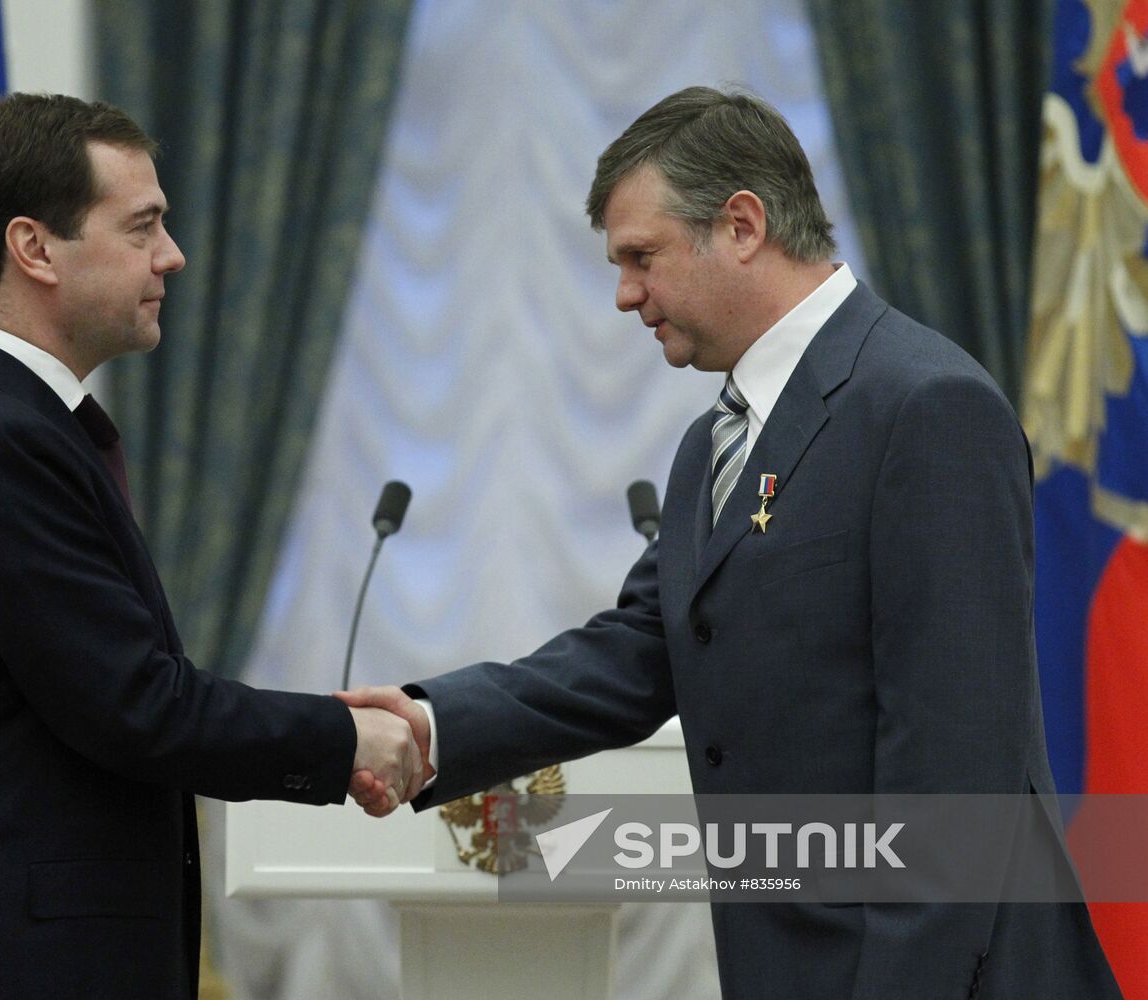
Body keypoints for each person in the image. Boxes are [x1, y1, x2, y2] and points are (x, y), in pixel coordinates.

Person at [339, 87, 1123, 999]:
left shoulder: (924, 407)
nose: (625, 294)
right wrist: (430, 724)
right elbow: (637, 654)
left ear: (742, 225)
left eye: (641, 257)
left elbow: (953, 773)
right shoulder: (713, 441)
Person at [0, 93, 422, 1000]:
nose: (173, 255)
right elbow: (134, 705)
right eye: (144, 226)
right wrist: (343, 735)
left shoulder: (10, 427)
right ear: (34, 248)